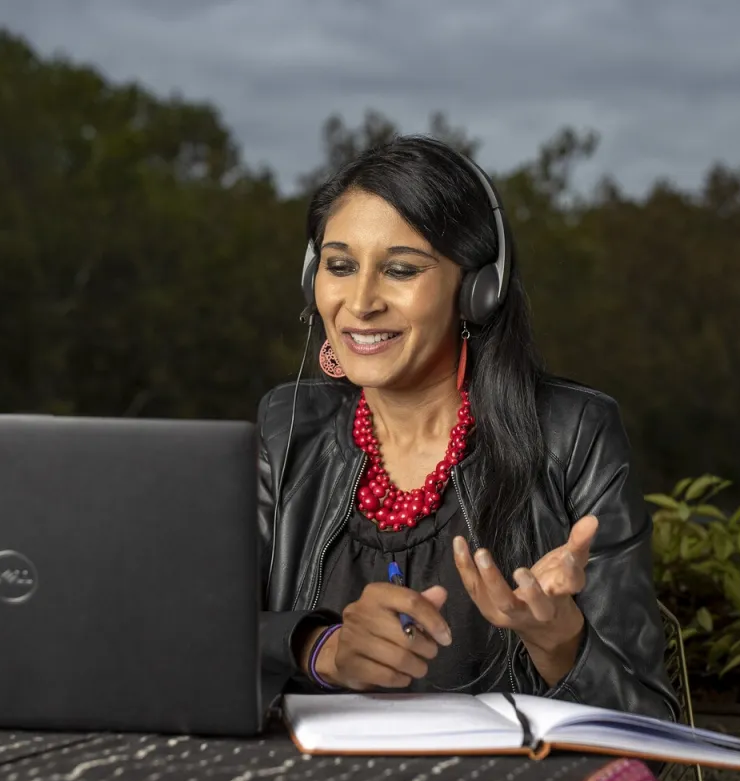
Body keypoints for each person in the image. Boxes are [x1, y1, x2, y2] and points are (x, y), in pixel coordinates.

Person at [256, 135, 678, 721]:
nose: (360, 301)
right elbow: (195, 643)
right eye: (340, 265)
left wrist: (557, 640)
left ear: (479, 291)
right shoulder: (286, 427)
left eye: (400, 269)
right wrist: (321, 648)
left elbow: (647, 725)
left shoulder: (573, 434)